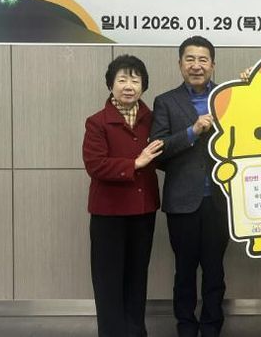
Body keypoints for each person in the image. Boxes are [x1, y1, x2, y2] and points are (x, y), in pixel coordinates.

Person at [150, 36, 229, 337]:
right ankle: (185, 325)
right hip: (182, 201)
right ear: (180, 64)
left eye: (203, 60)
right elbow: (157, 151)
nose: (197, 66)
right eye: (190, 59)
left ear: (213, 65)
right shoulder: (165, 102)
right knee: (184, 270)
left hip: (220, 201)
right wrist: (192, 131)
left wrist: (251, 86)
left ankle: (211, 326)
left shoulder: (229, 97)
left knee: (214, 269)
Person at [82, 54, 164, 337]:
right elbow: (95, 165)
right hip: (109, 213)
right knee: (108, 281)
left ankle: (136, 332)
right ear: (110, 84)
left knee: (137, 277)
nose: (129, 86)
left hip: (143, 211)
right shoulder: (97, 122)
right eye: (122, 80)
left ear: (143, 86)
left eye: (135, 80)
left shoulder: (152, 119)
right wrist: (135, 163)